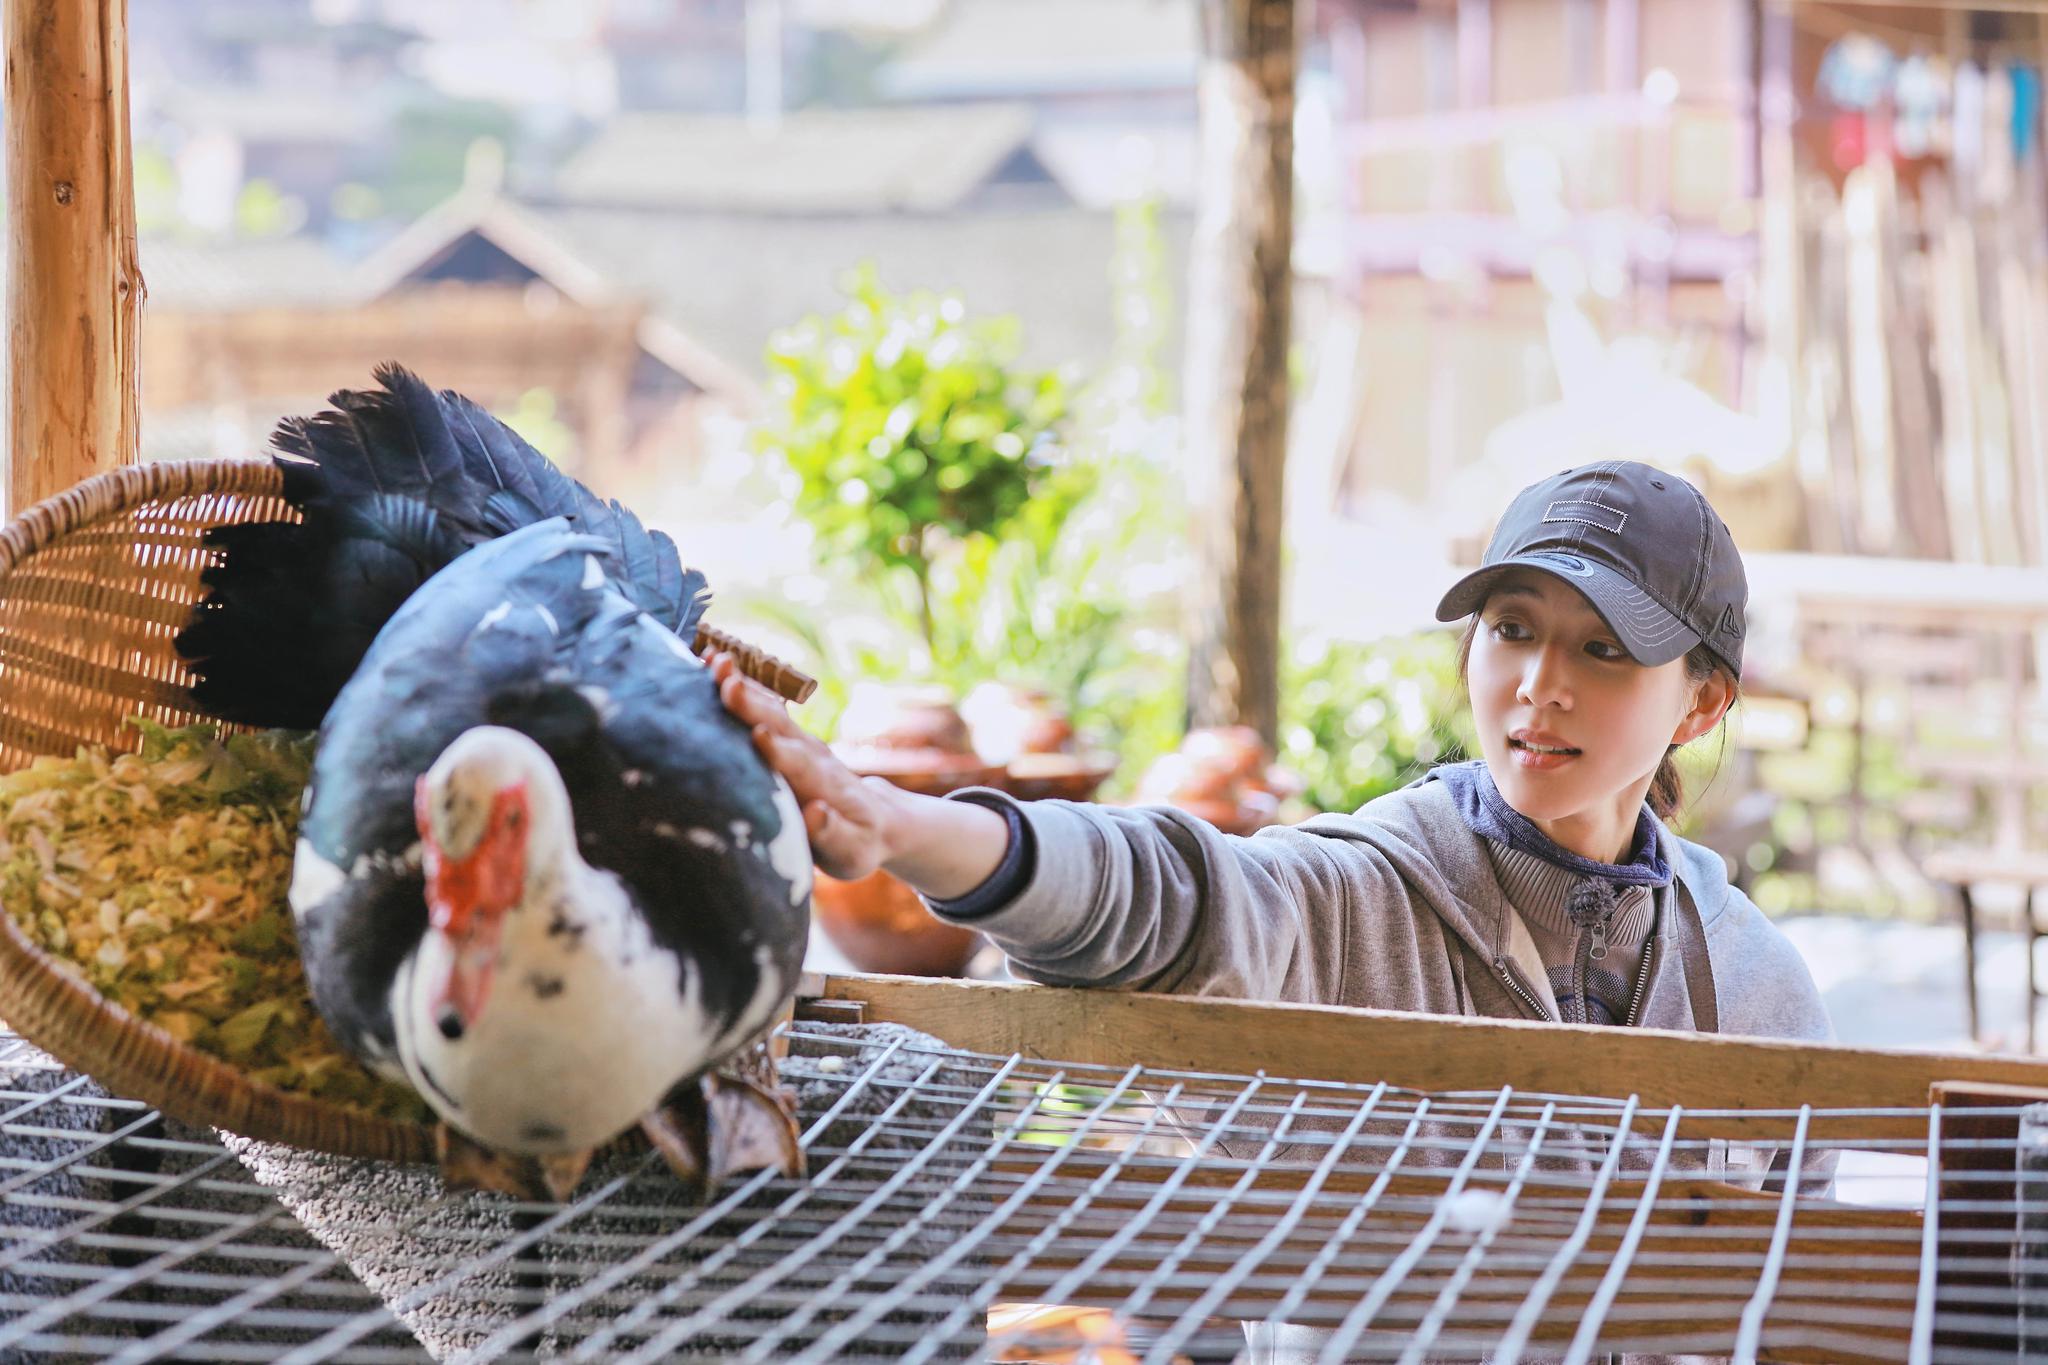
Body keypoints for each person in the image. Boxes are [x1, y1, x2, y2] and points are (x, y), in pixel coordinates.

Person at [715, 460, 1831, 1360]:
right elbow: (1165, 895)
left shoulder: (1754, 986)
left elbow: (1803, 1304)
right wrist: (903, 829)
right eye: (1510, 628)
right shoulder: (1354, 895)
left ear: (1701, 701)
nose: (1540, 682)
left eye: (1602, 649)